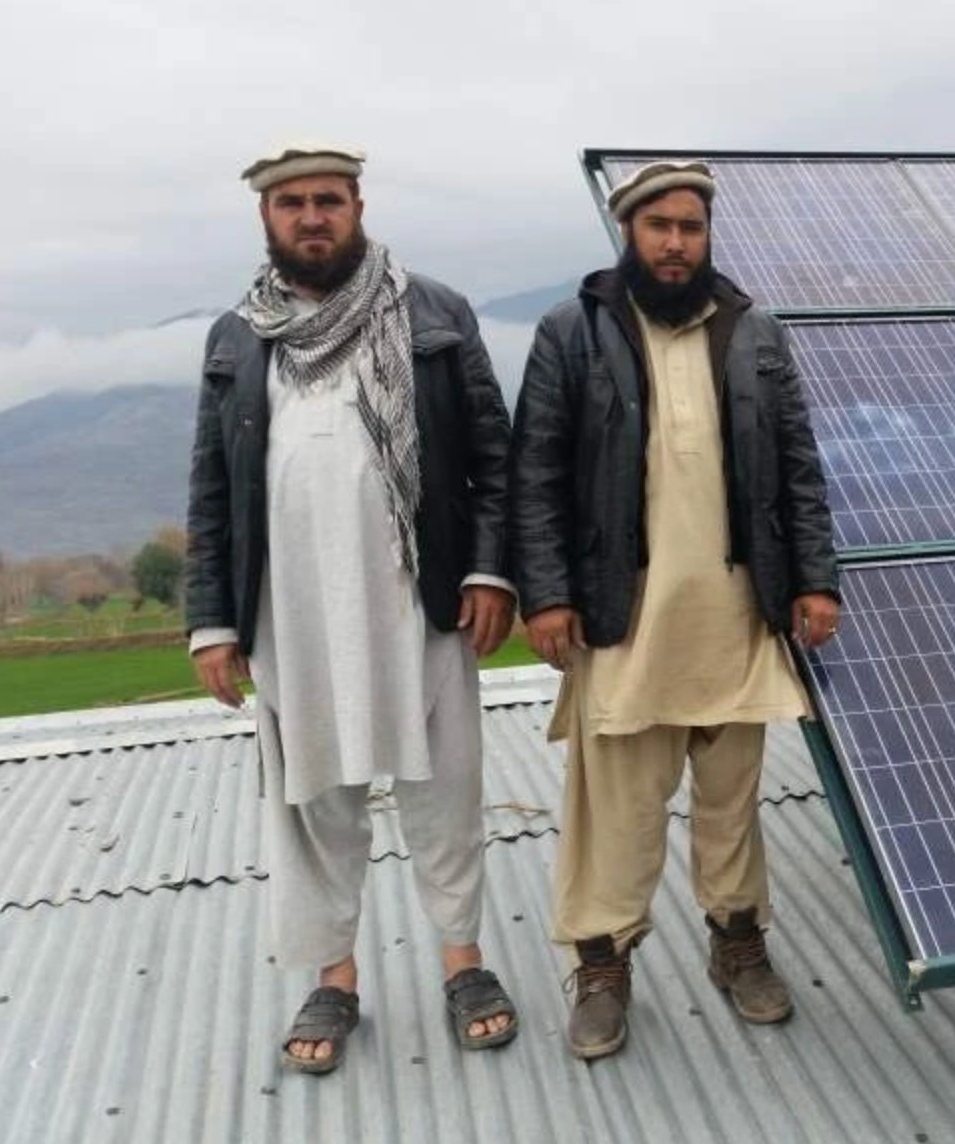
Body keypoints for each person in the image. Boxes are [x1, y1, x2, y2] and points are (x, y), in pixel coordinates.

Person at [184, 143, 519, 1074]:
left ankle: (464, 963)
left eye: (328, 199)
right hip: (289, 611)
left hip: (420, 596)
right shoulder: (235, 336)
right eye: (292, 203)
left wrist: (492, 571)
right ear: (266, 217)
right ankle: (335, 979)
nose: (312, 217)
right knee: (314, 803)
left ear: (359, 204)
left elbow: (493, 456)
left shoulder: (433, 310)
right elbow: (213, 490)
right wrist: (213, 622)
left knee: (443, 790)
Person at [507, 159, 840, 1060]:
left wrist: (816, 579)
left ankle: (738, 943)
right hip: (624, 614)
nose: (676, 242)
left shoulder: (753, 331)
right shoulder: (572, 332)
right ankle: (603, 964)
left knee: (732, 800)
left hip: (736, 612)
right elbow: (533, 475)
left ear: (706, 234)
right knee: (617, 806)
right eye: (660, 226)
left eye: (691, 227)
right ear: (629, 231)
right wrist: (546, 594)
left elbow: (798, 465)